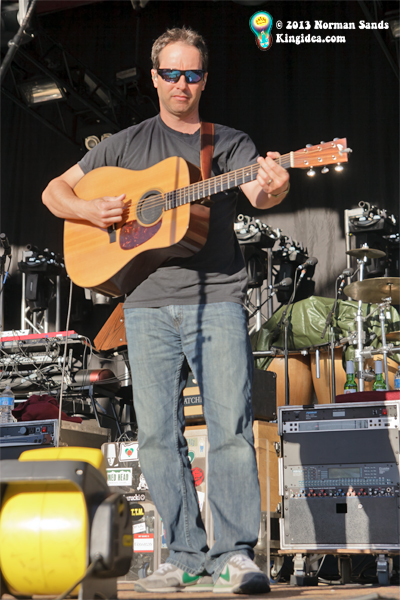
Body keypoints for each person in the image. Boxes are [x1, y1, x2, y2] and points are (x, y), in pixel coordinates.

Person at [42, 26, 289, 594]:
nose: (182, 83)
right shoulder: (124, 145)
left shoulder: (227, 142)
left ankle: (234, 555)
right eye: (172, 73)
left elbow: (260, 193)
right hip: (146, 304)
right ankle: (183, 556)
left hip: (217, 298)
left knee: (229, 431)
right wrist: (89, 210)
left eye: (192, 74)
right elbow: (54, 191)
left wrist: (276, 185)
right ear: (154, 77)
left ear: (204, 80)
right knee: (155, 436)